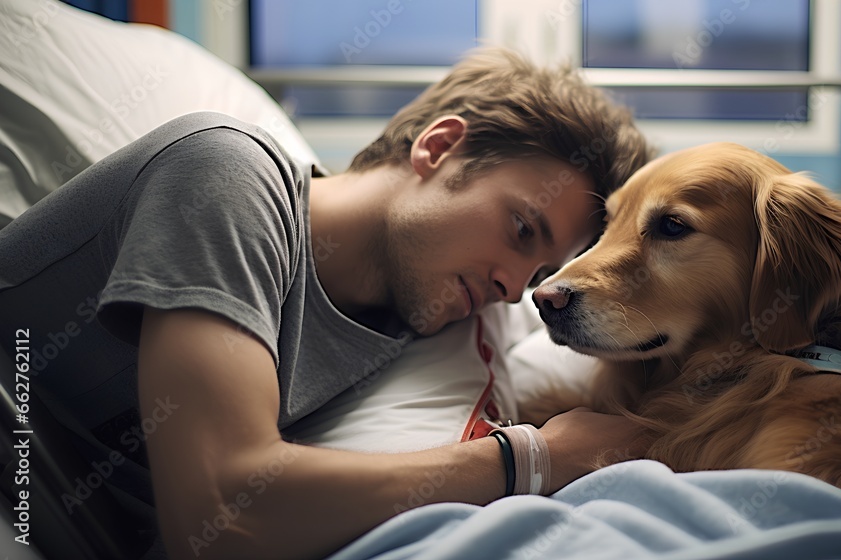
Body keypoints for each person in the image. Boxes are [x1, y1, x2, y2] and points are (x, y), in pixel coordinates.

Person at [0, 47, 652, 559]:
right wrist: (532, 459)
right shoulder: (227, 176)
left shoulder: (419, 317)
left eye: (540, 267)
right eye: (519, 229)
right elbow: (224, 517)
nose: (514, 287)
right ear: (439, 146)